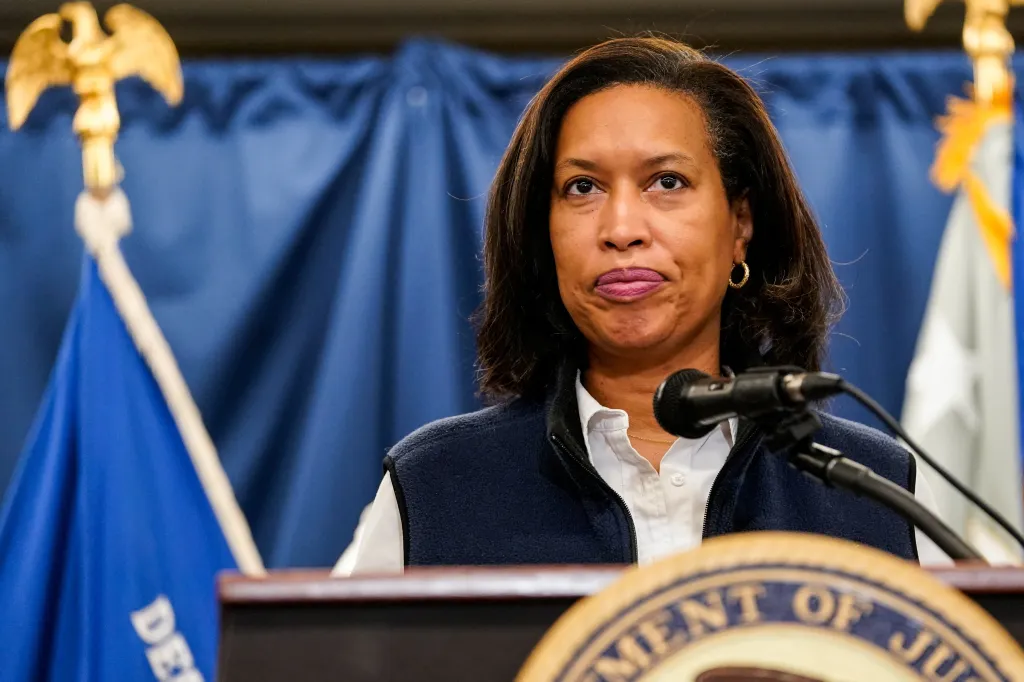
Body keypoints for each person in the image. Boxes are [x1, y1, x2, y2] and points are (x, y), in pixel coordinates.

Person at [333, 36, 949, 575]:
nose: (621, 227)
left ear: (740, 224)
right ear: (542, 235)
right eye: (583, 187)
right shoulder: (434, 488)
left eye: (667, 182)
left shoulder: (878, 495)